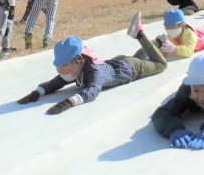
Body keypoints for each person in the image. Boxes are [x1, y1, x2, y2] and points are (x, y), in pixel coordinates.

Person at [16, 12, 167, 114]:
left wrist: (67, 103)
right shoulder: (74, 68)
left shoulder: (94, 72)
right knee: (141, 58)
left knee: (160, 64)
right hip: (118, 63)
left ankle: (139, 34)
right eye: (59, 66)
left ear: (79, 61)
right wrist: (36, 93)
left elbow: (93, 91)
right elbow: (54, 83)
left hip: (130, 67)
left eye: (64, 66)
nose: (61, 71)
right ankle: (157, 44)